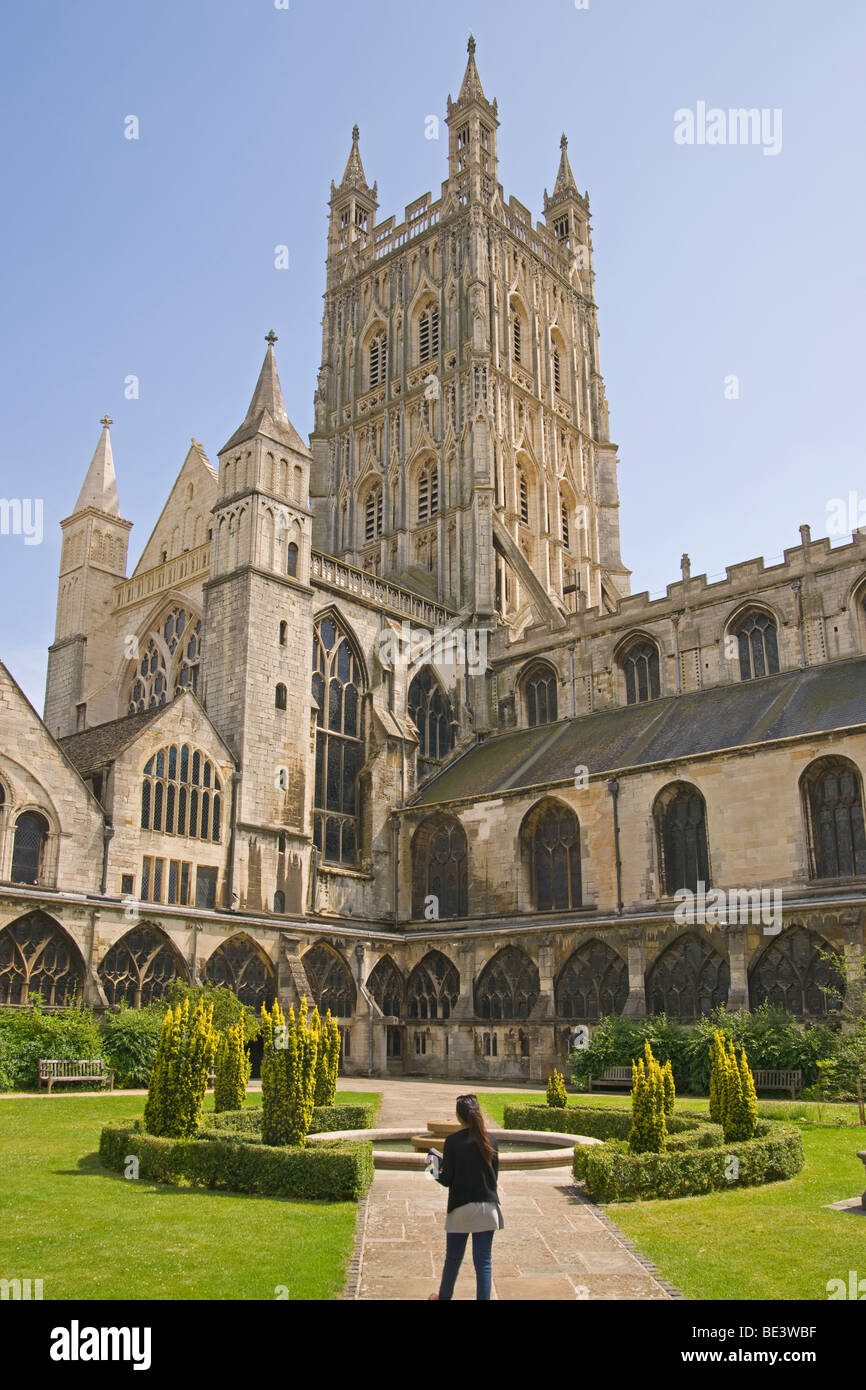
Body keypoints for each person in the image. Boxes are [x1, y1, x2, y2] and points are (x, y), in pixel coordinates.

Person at [428, 1093, 503, 1301]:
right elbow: (493, 1177)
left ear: (459, 1117)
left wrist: (431, 1168)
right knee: (483, 1262)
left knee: (453, 1259)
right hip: (488, 1208)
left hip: (461, 1207)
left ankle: (443, 1298)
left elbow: (446, 1180)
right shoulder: (491, 1140)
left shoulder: (452, 1141)